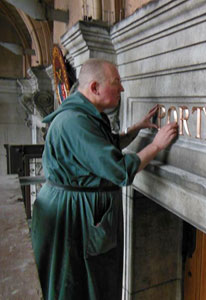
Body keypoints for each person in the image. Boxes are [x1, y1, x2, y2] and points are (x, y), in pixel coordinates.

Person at [31, 58, 178, 300]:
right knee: (76, 286)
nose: (122, 89)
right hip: (72, 217)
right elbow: (119, 170)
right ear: (95, 88)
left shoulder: (83, 114)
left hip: (75, 210)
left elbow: (101, 146)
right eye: (116, 82)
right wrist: (157, 145)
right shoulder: (74, 122)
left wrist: (136, 129)